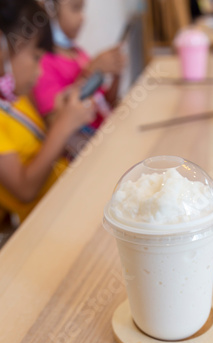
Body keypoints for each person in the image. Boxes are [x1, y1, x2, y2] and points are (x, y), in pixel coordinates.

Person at [0, 0, 96, 223]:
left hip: (66, 199)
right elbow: (24, 190)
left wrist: (63, 116)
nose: (40, 70)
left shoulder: (15, 99)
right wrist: (63, 127)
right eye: (35, 57)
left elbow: (40, 143)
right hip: (47, 221)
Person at [33, 0, 126, 129]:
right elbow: (56, 122)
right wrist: (90, 71)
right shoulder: (43, 64)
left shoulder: (79, 53)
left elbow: (104, 102)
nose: (82, 18)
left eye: (82, 9)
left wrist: (117, 75)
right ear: (51, 12)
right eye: (76, 9)